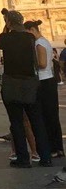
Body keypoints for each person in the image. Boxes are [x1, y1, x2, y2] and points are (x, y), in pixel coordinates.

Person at [0, 9, 51, 167]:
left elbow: (0, 43)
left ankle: (23, 158)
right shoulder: (30, 37)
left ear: (8, 23)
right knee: (37, 122)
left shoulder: (4, 38)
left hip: (12, 84)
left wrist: (6, 26)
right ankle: (45, 157)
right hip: (30, 84)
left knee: (17, 123)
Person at [26, 20, 64, 158]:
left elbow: (42, 64)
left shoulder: (39, 44)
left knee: (45, 116)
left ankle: (52, 148)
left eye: (27, 32)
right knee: (52, 115)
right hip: (49, 80)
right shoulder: (46, 41)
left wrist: (30, 64)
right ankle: (58, 147)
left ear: (32, 29)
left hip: (43, 81)